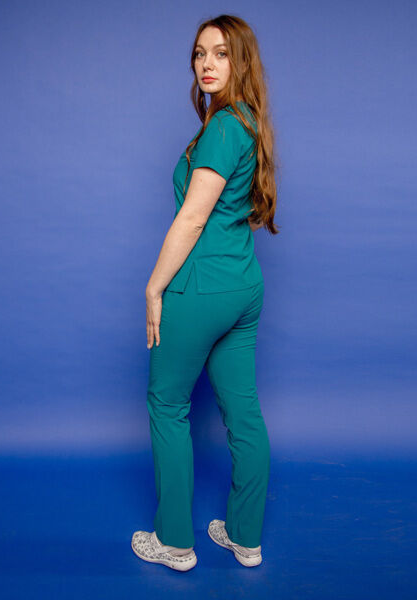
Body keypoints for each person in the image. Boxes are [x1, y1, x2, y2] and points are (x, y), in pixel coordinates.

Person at [131, 14, 279, 571]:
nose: (207, 64)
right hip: (243, 286)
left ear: (241, 62)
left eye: (220, 53)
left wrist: (154, 287)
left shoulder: (221, 128)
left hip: (201, 290)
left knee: (167, 405)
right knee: (244, 413)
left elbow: (193, 218)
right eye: (200, 53)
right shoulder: (248, 122)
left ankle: (174, 542)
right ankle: (245, 537)